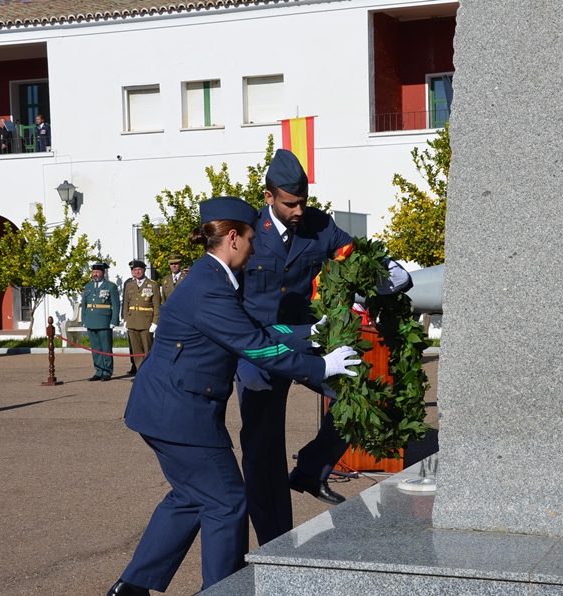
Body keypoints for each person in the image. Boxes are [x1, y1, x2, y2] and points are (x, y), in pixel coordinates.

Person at [105, 196, 360, 596]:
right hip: (181, 414)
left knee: (190, 498)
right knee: (226, 502)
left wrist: (309, 333)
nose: (256, 246)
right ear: (234, 238)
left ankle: (132, 586)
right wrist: (320, 367)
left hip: (165, 409)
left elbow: (251, 329)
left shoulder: (215, 277)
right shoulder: (210, 286)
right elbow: (253, 346)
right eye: (250, 238)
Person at [237, 149, 411, 546]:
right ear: (269, 198)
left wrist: (389, 271)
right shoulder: (246, 229)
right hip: (258, 348)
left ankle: (312, 467)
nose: (299, 210)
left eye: (303, 201)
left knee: (365, 399)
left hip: (309, 341)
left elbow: (357, 256)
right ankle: (274, 541)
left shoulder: (319, 225)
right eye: (290, 203)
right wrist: (240, 358)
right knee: (263, 450)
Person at [81, 263, 119, 381]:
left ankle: (107, 371)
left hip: (104, 321)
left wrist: (114, 320)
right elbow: (84, 305)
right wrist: (84, 319)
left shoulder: (110, 286)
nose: (95, 274)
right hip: (91, 320)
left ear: (103, 273)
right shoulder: (88, 286)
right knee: (95, 348)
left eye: (98, 272)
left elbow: (116, 305)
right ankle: (98, 370)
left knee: (106, 347)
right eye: (94, 272)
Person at [122, 260, 159, 375]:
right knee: (136, 351)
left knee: (148, 349)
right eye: (135, 270)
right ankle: (140, 373)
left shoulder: (152, 285)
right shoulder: (130, 285)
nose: (137, 272)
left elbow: (157, 305)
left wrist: (155, 322)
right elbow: (126, 303)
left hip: (146, 322)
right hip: (133, 321)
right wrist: (125, 319)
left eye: (139, 269)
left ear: (144, 270)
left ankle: (150, 372)